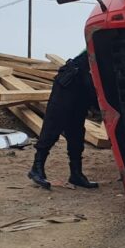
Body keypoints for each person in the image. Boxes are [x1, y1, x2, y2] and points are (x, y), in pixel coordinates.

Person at [27, 51, 100, 189]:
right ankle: (36, 168)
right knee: (54, 124)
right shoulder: (101, 41)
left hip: (83, 87)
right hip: (69, 81)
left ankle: (76, 174)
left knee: (77, 130)